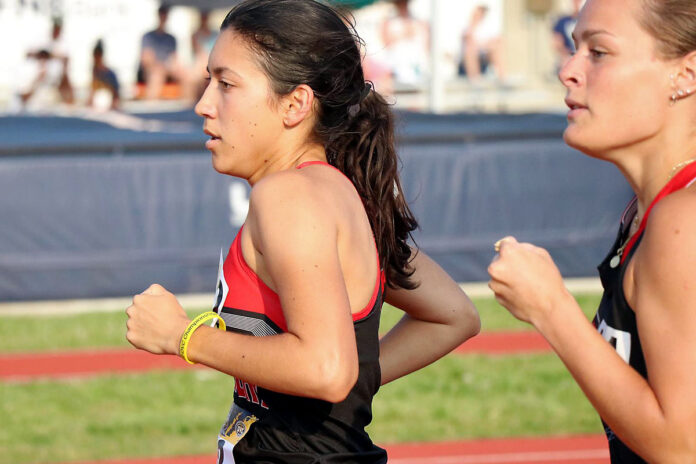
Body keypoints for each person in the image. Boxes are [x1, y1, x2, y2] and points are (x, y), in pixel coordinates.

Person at [125, 0, 480, 462]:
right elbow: (453, 314)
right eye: (209, 80)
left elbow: (326, 369)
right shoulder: (334, 193)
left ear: (295, 103)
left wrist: (183, 336)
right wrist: (345, 377)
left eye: (226, 84)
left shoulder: (289, 196)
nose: (203, 104)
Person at [488, 0, 696, 462]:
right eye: (573, 47)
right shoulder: (649, 212)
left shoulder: (684, 222)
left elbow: (683, 447)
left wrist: (551, 308)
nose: (568, 70)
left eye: (598, 52)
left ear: (685, 74)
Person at [138, 4, 192, 101]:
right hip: (151, 70)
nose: (164, 16)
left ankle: (186, 106)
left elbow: (174, 58)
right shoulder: (148, 36)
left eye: (165, 14)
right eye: (162, 14)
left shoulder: (171, 38)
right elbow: (146, 59)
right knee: (157, 75)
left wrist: (176, 68)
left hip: (167, 68)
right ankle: (151, 106)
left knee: (186, 75)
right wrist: (160, 66)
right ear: (158, 15)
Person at [19, 17, 74, 107]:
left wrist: (51, 56)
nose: (56, 31)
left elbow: (65, 58)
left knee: (64, 77)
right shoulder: (43, 39)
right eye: (55, 28)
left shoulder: (64, 43)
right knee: (42, 73)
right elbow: (29, 54)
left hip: (58, 76)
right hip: (44, 73)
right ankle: (25, 98)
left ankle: (69, 103)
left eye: (58, 29)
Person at [379, 0, 430, 87]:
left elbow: (427, 45)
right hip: (397, 69)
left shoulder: (420, 22)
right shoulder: (388, 23)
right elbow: (386, 43)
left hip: (417, 68)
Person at [459, 4, 505, 82]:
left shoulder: (487, 27)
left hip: (483, 60)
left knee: (497, 47)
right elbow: (469, 40)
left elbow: (497, 40)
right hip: (465, 65)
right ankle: (475, 81)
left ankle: (502, 78)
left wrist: (484, 46)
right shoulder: (466, 26)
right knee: (471, 49)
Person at [191, 9, 218, 99]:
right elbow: (197, 51)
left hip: (211, 61)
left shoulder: (215, 34)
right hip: (202, 62)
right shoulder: (195, 35)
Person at [86, 39, 120, 111]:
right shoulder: (94, 71)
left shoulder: (109, 73)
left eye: (97, 57)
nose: (95, 59)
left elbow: (115, 93)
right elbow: (93, 90)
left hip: (108, 104)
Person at [551, 0, 583, 70]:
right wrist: (567, 55)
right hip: (568, 59)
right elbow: (557, 43)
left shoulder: (589, 21)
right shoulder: (562, 21)